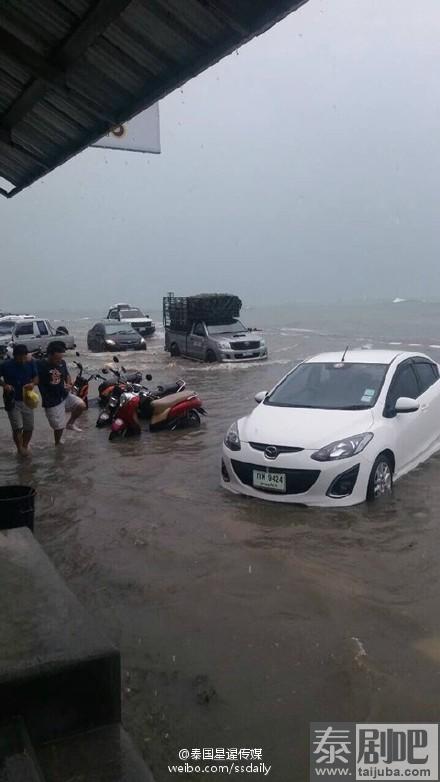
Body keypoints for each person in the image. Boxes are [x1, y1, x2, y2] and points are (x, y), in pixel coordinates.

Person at [38, 341, 85, 445]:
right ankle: (57, 444)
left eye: (60, 358)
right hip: (51, 401)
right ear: (49, 355)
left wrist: (69, 384)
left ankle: (70, 423)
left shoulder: (62, 363)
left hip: (64, 395)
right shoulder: (40, 364)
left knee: (81, 405)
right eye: (56, 359)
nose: (58, 361)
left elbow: (67, 375)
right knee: (59, 428)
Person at [0, 344, 39, 456]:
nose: (22, 360)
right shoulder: (6, 365)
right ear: (14, 356)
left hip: (27, 398)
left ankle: (25, 445)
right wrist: (5, 385)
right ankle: (19, 448)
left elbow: (36, 378)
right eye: (20, 357)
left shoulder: (31, 363)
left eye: (24, 357)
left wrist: (32, 384)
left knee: (29, 426)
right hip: (12, 399)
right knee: (17, 427)